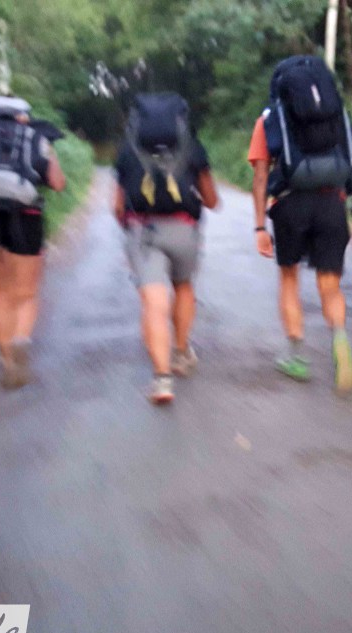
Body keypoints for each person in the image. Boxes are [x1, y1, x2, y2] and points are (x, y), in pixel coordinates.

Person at [248, 56, 352, 395]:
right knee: (330, 284)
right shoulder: (336, 113)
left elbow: (261, 177)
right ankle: (340, 341)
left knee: (289, 278)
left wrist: (259, 227)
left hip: (290, 203)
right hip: (331, 202)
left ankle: (295, 356)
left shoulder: (269, 118)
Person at [113, 93, 219, 406]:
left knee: (154, 304)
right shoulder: (193, 147)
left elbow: (117, 205)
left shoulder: (127, 150)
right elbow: (212, 200)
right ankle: (181, 353)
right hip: (184, 230)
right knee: (183, 288)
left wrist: (130, 229)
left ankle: (161, 380)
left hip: (143, 231)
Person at [0, 95, 67, 389]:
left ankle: (7, 360)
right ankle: (20, 339)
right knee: (26, 292)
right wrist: (48, 157)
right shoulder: (36, 138)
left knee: (0, 288)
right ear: (22, 116)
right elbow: (58, 183)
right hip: (26, 216)